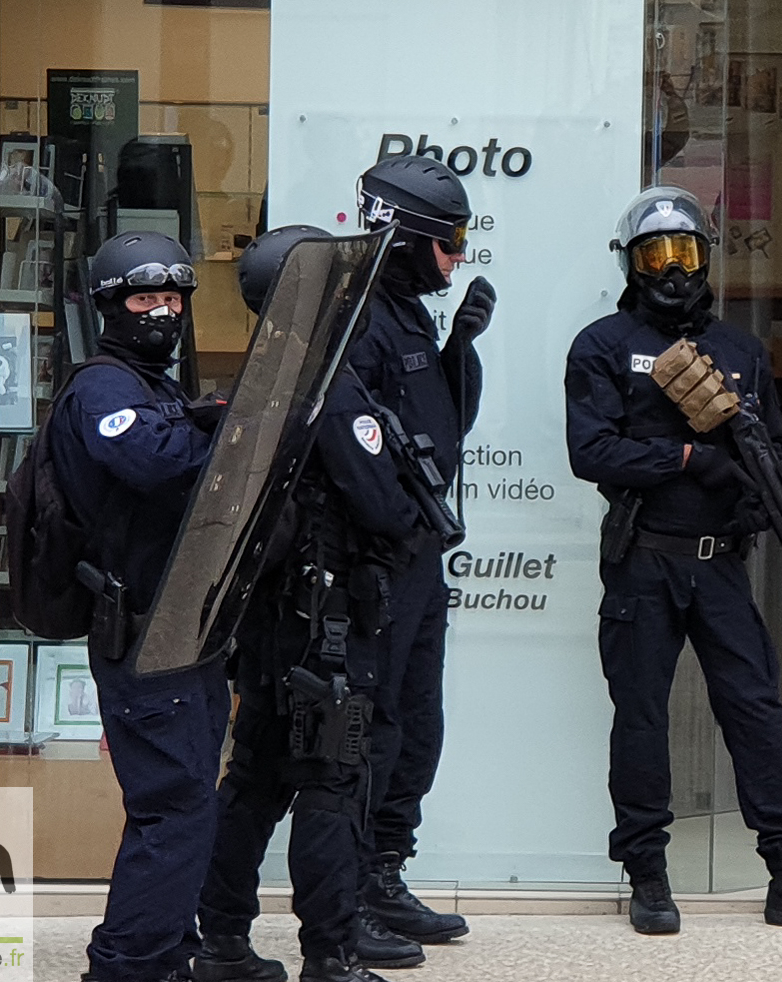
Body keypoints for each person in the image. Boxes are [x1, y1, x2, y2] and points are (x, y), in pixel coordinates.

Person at [563, 186, 782, 936]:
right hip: (645, 560)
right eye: (655, 255)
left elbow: (776, 449)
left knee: (756, 712)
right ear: (631, 265)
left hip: (720, 562)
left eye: (685, 253)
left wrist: (762, 493)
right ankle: (647, 874)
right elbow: (590, 451)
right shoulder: (601, 345)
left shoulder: (740, 352)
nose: (673, 270)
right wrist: (688, 456)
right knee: (640, 718)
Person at [197, 224, 434, 982]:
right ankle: (328, 955)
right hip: (325, 629)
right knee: (331, 785)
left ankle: (224, 940)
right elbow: (386, 508)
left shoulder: (266, 379)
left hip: (273, 627)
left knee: (255, 783)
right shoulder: (330, 393)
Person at [47, 230, 228, 982]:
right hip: (143, 630)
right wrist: (218, 430)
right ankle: (130, 964)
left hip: (182, 626)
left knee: (182, 802)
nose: (164, 312)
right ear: (111, 308)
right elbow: (151, 461)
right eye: (146, 298)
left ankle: (167, 950)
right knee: (173, 806)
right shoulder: (104, 388)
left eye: (175, 298)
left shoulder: (155, 388)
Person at [350, 155, 495, 946]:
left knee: (416, 720)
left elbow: (440, 430)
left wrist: (458, 351)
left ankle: (385, 869)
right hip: (380, 560)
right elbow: (354, 452)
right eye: (448, 241)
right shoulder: (362, 318)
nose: (458, 255)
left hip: (417, 557)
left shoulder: (408, 314)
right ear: (404, 238)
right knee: (374, 726)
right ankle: (354, 892)